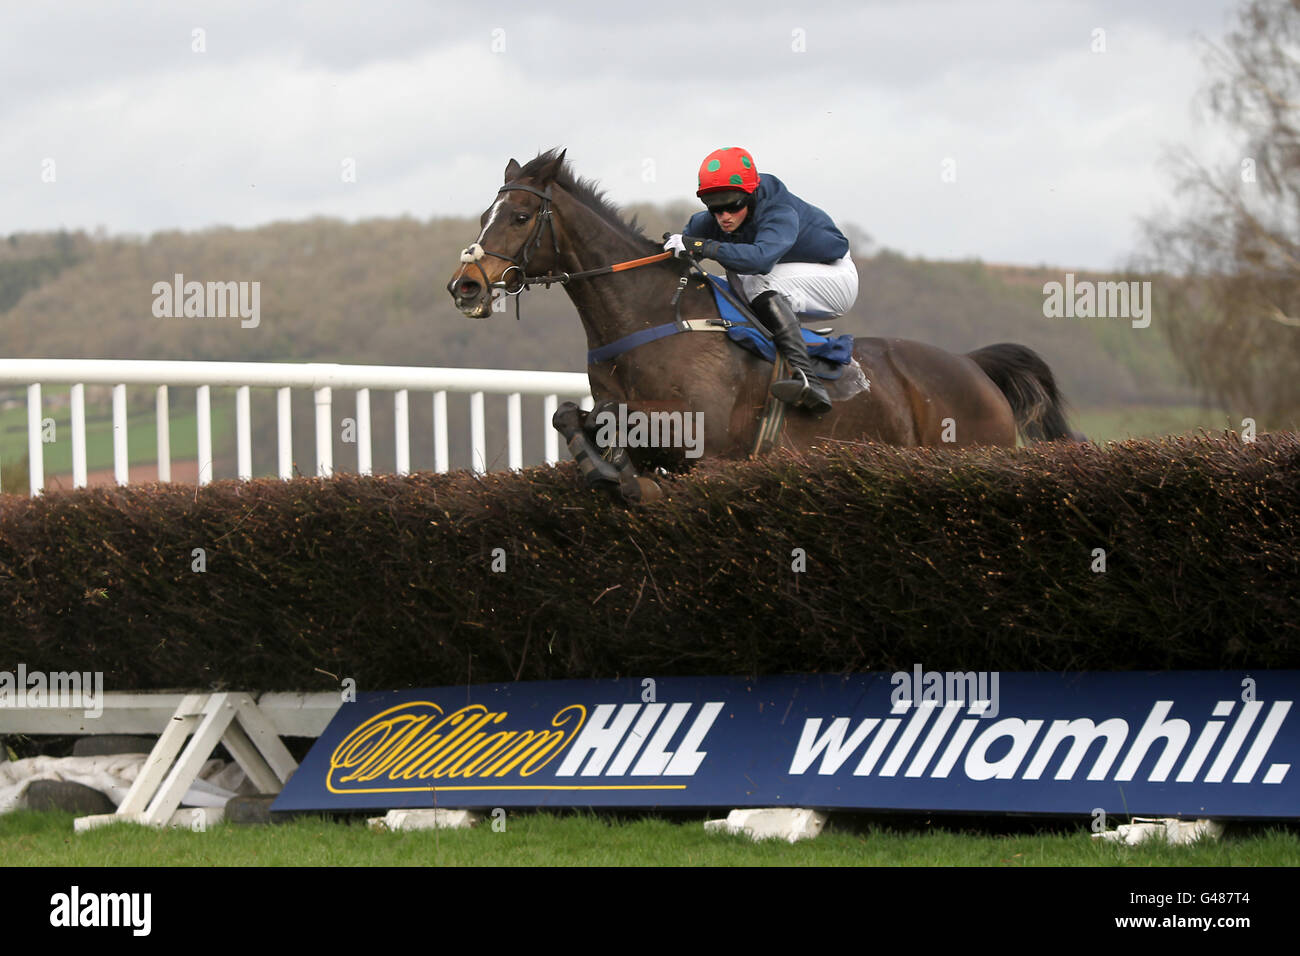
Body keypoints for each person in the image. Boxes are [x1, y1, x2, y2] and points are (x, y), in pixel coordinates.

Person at [664, 147, 857, 413]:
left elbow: (760, 261)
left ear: (751, 194)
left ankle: (809, 381)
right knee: (714, 286)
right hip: (789, 278)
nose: (724, 217)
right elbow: (679, 255)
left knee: (755, 281)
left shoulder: (780, 210)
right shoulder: (713, 219)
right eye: (715, 208)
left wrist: (702, 246)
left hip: (835, 278)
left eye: (732, 205)